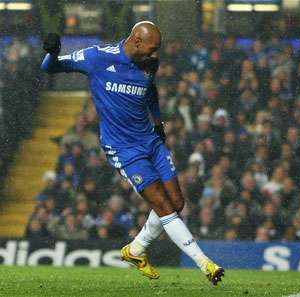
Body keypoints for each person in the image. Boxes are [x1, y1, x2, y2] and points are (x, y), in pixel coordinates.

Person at [41, 21, 224, 285]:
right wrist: (52, 52)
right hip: (123, 148)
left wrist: (158, 123)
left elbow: (150, 92)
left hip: (150, 141)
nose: (155, 55)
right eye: (152, 49)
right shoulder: (97, 57)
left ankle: (135, 250)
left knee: (177, 202)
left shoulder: (150, 63)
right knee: (162, 205)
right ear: (136, 40)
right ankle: (205, 264)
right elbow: (50, 67)